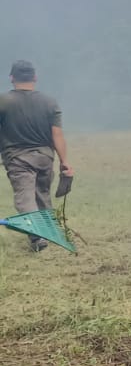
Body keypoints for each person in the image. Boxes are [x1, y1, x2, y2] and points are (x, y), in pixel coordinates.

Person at [0, 60, 72, 251]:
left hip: (17, 158)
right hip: (44, 157)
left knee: (25, 198)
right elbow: (57, 134)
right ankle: (46, 232)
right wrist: (65, 162)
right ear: (35, 77)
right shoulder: (50, 102)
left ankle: (37, 237)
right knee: (42, 195)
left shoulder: (3, 101)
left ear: (11, 78)